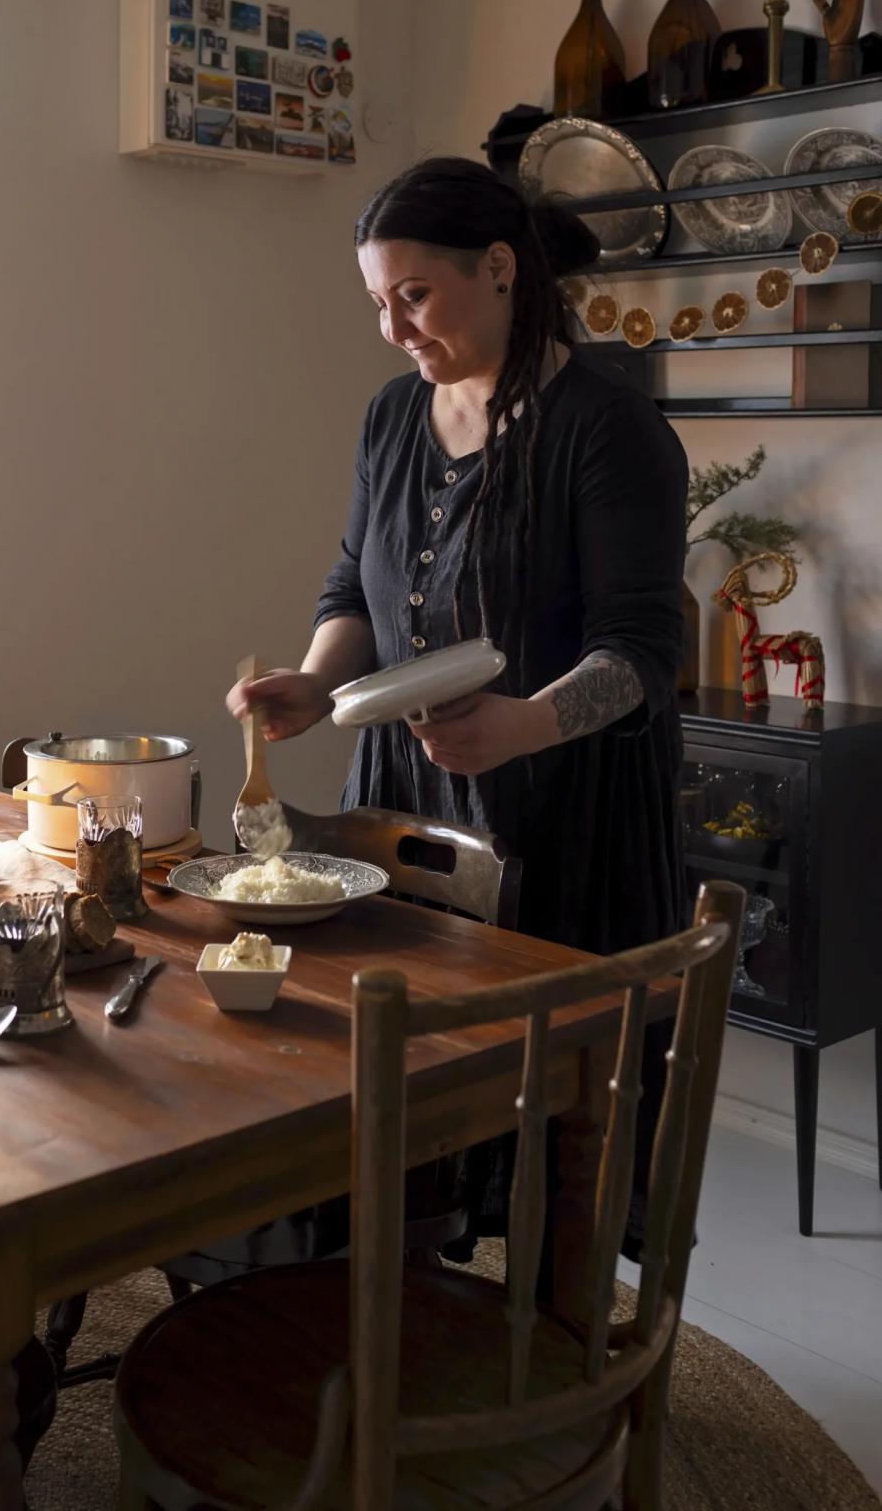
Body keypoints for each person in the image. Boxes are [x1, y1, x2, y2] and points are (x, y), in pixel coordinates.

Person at [227, 155, 689, 1255]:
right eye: (378, 304)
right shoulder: (395, 417)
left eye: (413, 296)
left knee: (549, 1130)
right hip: (407, 796)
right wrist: (317, 680)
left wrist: (522, 724)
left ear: (498, 268)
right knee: (404, 1102)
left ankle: (542, 1346)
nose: (392, 328)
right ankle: (410, 1309)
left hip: (562, 810)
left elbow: (641, 650)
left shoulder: (606, 426)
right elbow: (358, 590)